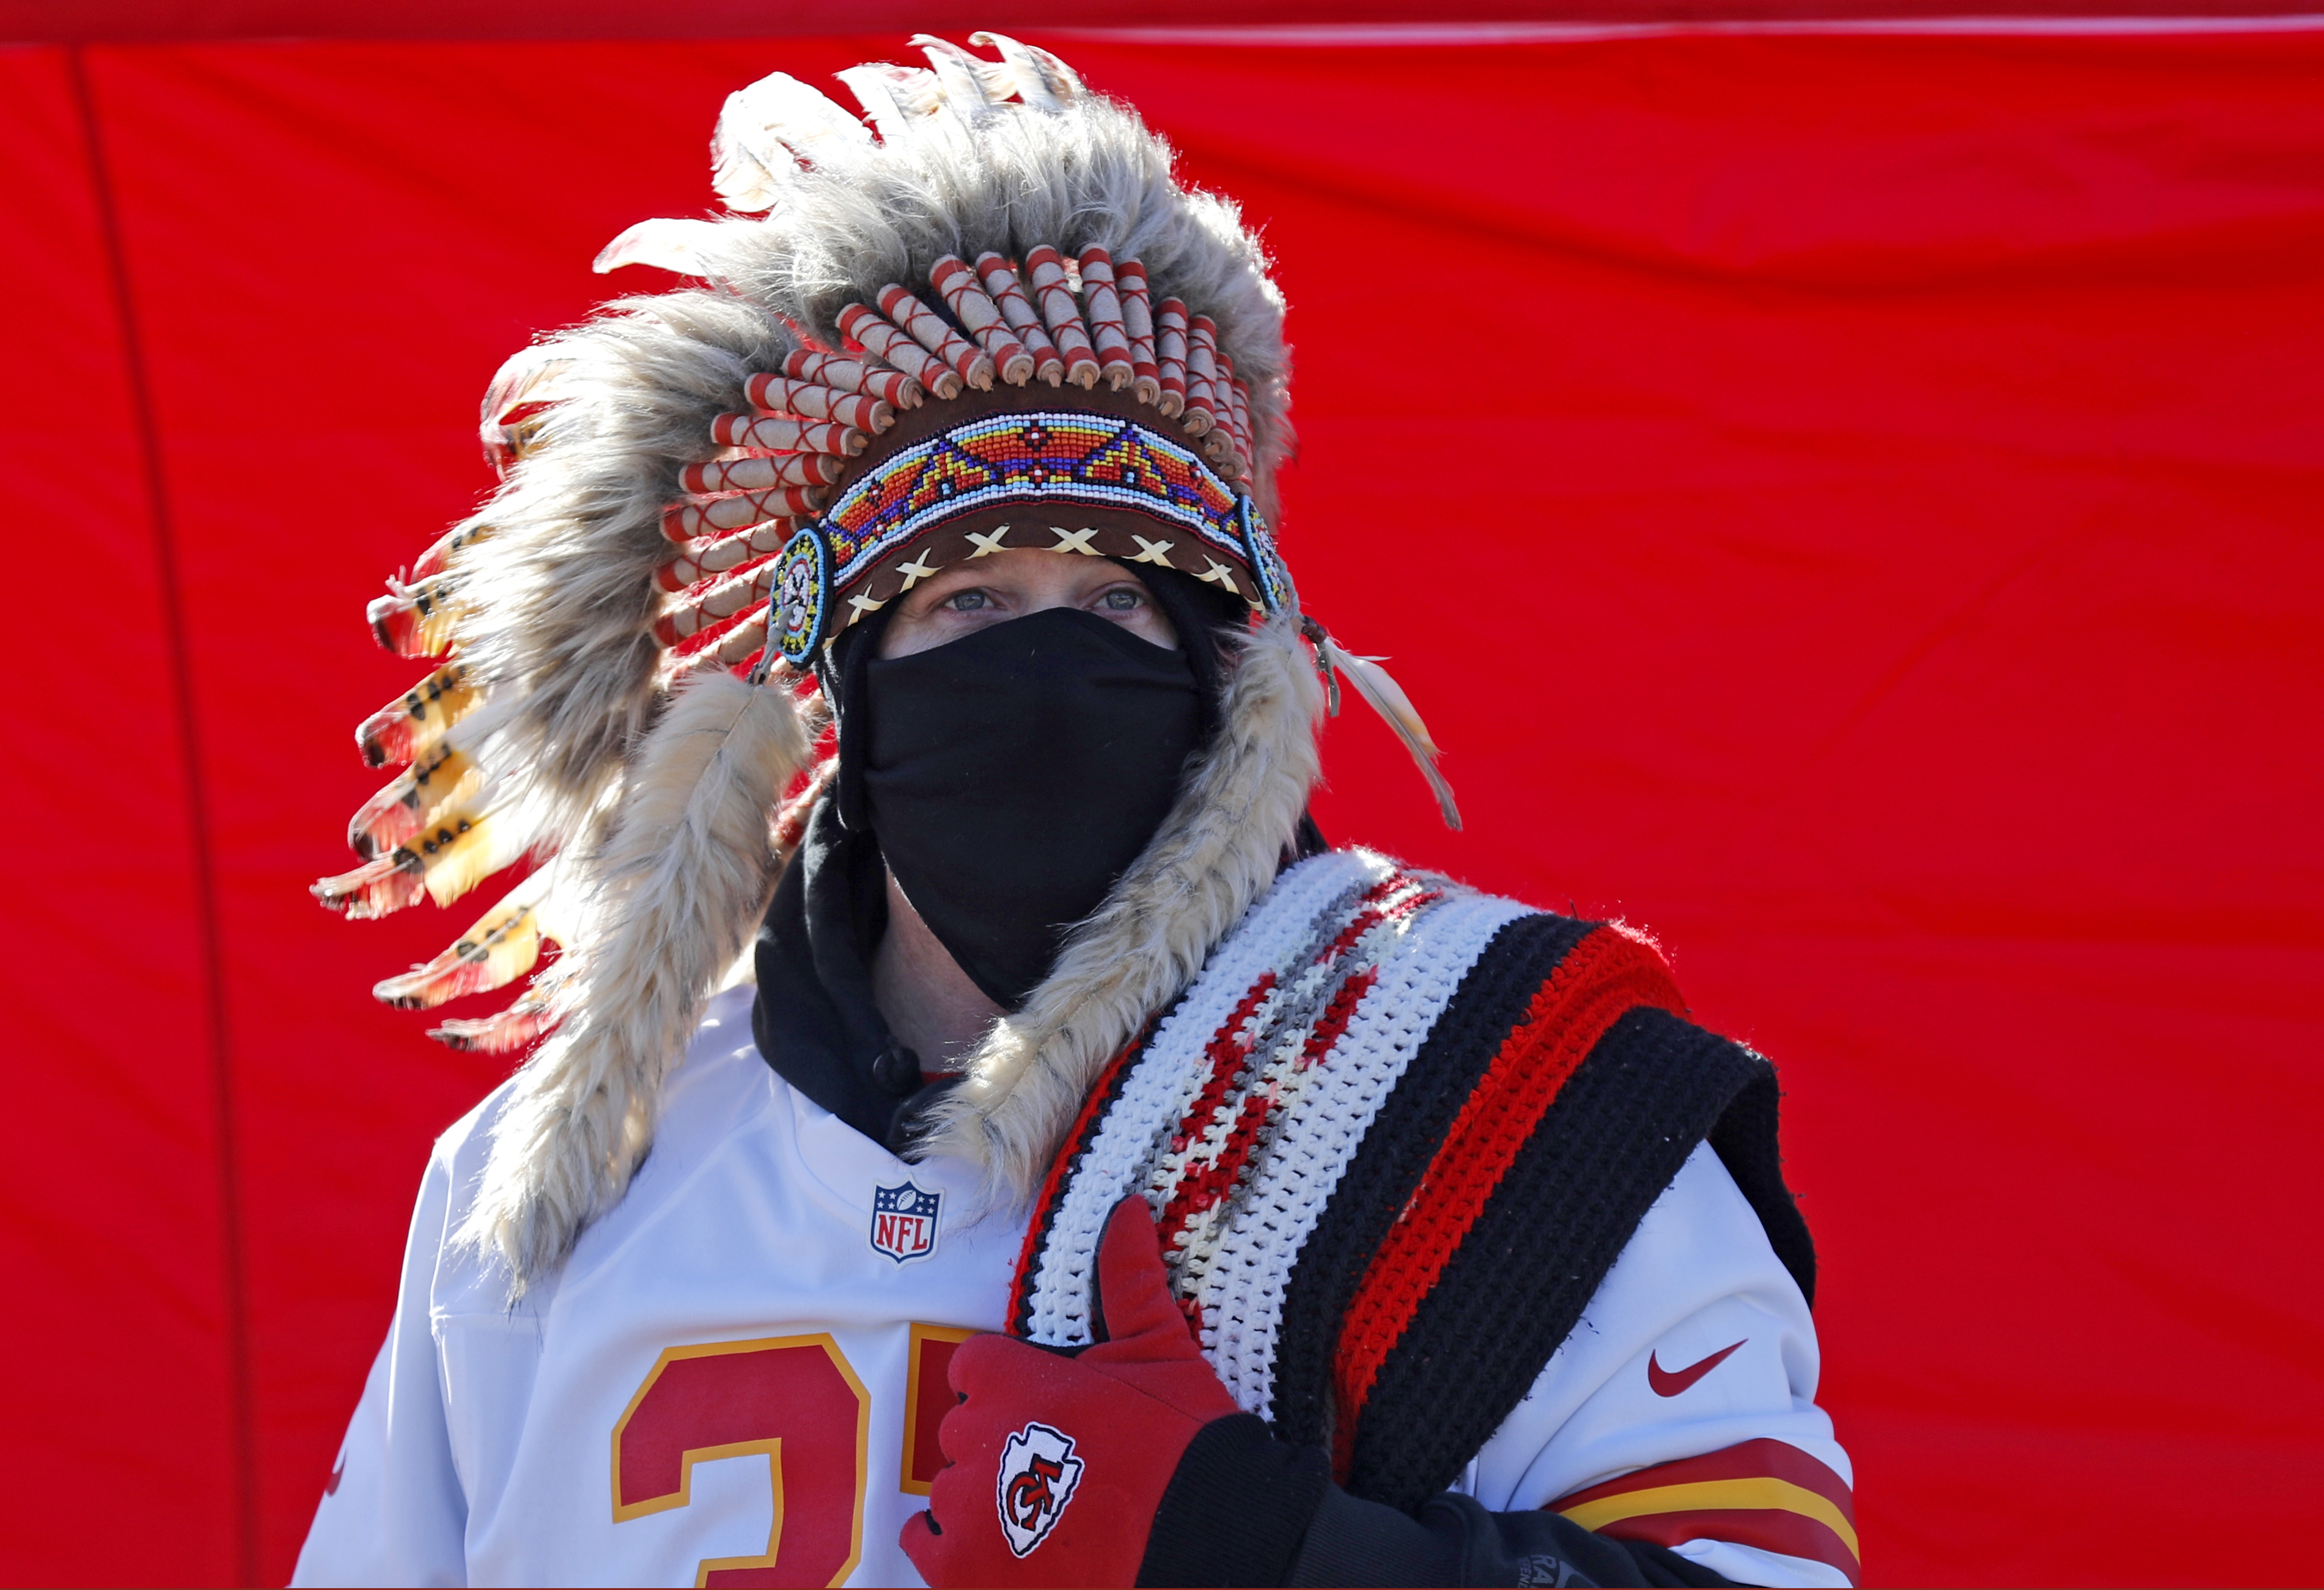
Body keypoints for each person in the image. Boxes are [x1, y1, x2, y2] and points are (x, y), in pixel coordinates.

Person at [295, 35, 1855, 1589]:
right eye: (969, 600)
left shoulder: (1492, 1105)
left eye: (1116, 602)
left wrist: (1262, 1553)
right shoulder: (556, 1188)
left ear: (1225, 676)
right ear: (845, 683)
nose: (1045, 662)